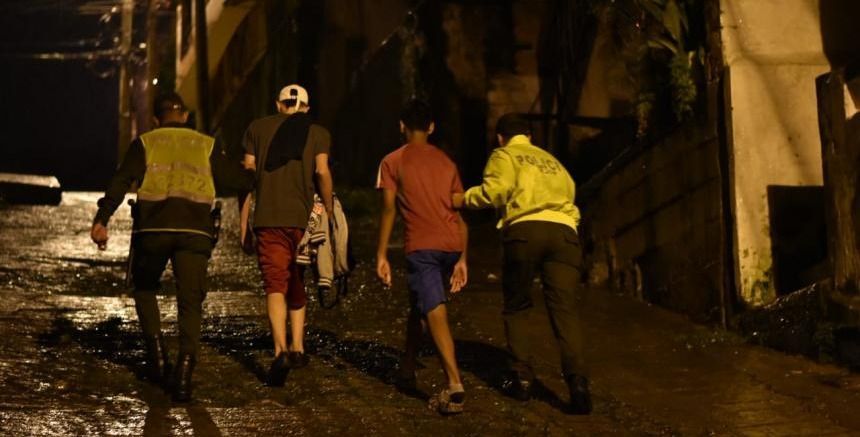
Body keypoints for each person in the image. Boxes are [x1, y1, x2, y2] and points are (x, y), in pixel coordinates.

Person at [90, 92, 253, 402]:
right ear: (187, 116)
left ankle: (157, 356)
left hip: (153, 229)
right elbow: (236, 179)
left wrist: (102, 219)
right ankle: (183, 373)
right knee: (191, 301)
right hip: (195, 232)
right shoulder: (206, 144)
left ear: (155, 119)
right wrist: (256, 171)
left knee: (144, 287)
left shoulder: (146, 142)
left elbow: (121, 180)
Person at [454, 113, 592, 414]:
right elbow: (572, 198)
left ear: (500, 137)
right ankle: (578, 383)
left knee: (517, 305)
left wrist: (462, 198)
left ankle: (522, 379)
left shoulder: (504, 155)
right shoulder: (553, 162)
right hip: (565, 233)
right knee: (565, 310)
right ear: (530, 136)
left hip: (525, 231)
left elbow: (496, 191)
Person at [376, 100, 468, 414]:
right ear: (431, 127)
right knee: (417, 304)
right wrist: (464, 257)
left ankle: (454, 383)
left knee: (432, 307)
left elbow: (389, 209)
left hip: (422, 247)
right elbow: (459, 211)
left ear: (402, 126)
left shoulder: (392, 161)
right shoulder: (447, 162)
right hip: (452, 243)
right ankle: (407, 366)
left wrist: (381, 254)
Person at [239, 84, 333, 386]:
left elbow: (247, 175)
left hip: (268, 218)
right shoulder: (317, 132)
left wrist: (243, 227)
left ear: (278, 104)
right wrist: (329, 211)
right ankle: (298, 346)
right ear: (305, 107)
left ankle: (280, 349)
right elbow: (321, 172)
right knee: (297, 277)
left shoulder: (256, 128)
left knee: (274, 283)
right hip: (304, 219)